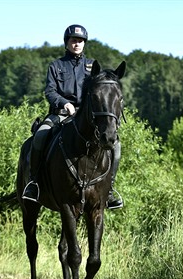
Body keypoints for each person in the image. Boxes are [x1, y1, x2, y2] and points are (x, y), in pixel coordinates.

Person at [22, 24, 123, 209]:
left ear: (84, 44)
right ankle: (34, 184)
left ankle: (109, 191)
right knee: (40, 136)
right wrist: (65, 104)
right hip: (60, 114)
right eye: (74, 40)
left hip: (86, 117)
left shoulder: (93, 67)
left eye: (81, 41)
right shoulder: (56, 66)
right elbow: (50, 92)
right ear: (67, 42)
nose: (77, 44)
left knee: (116, 146)